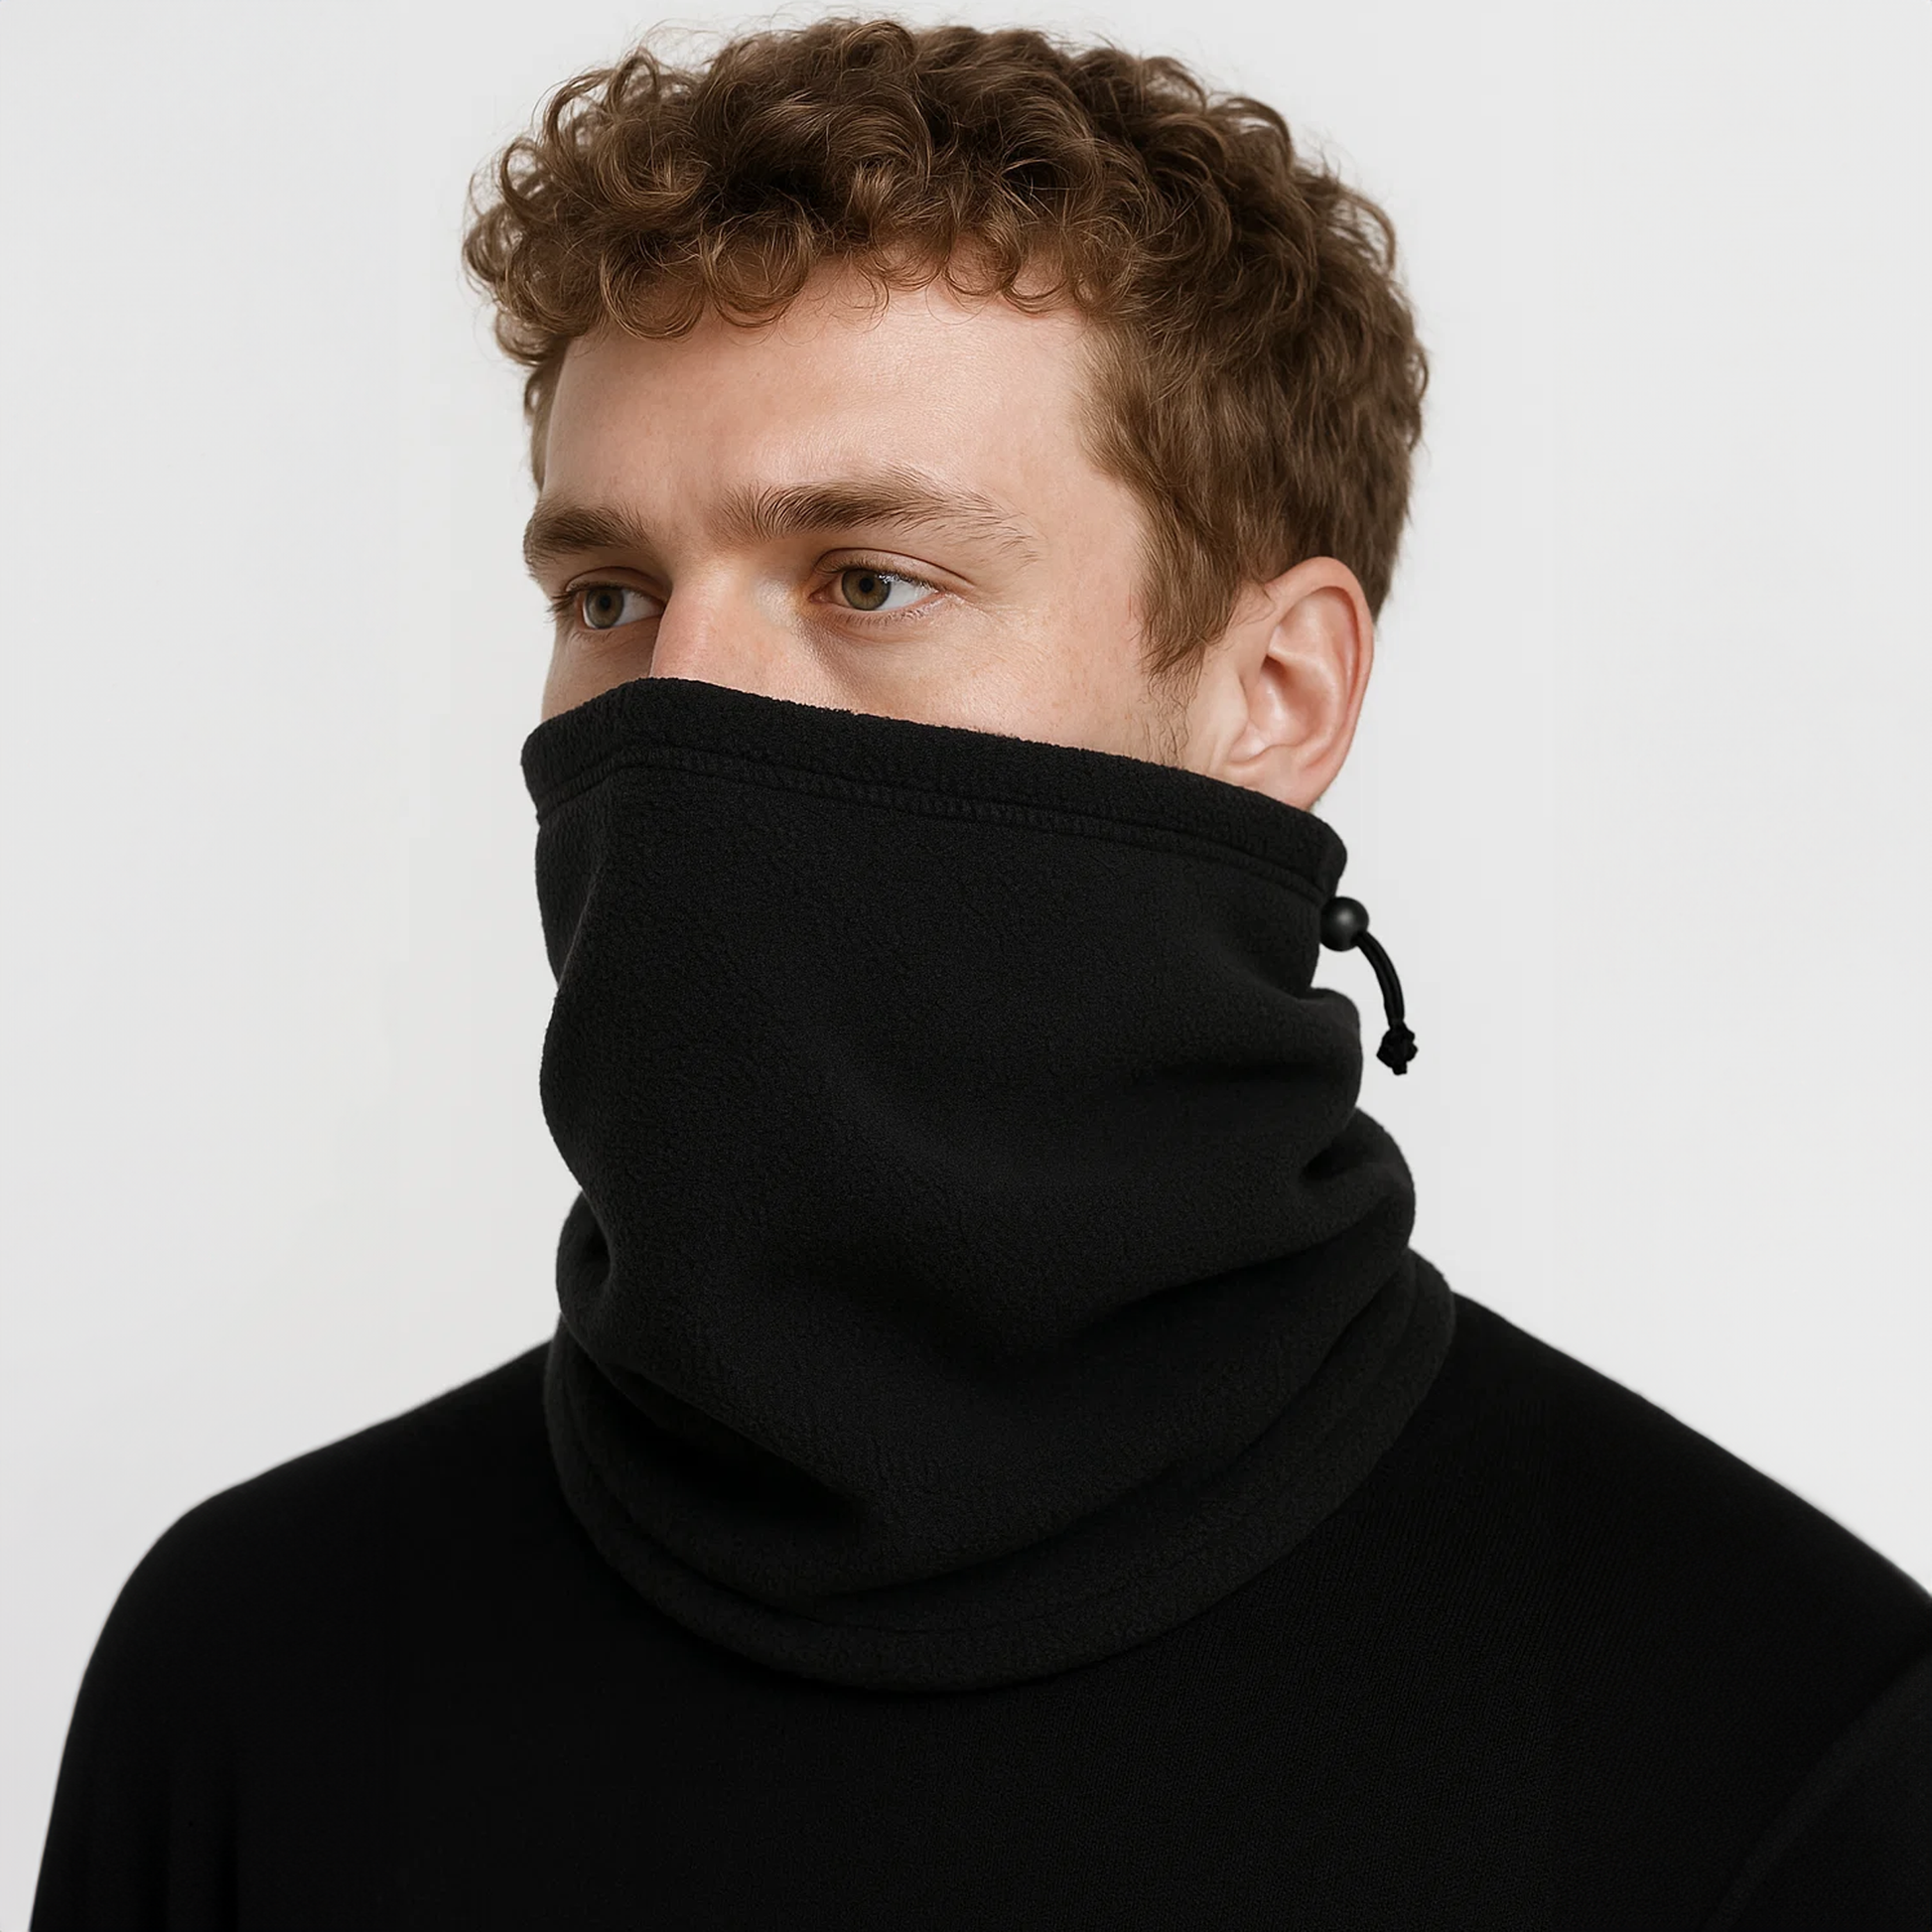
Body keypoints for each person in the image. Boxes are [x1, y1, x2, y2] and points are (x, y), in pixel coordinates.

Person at [32, 18, 1931, 1928]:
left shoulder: (1776, 1749)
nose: (679, 708)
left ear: (1277, 692)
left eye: (867, 578)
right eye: (608, 595)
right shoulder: (258, 1675)